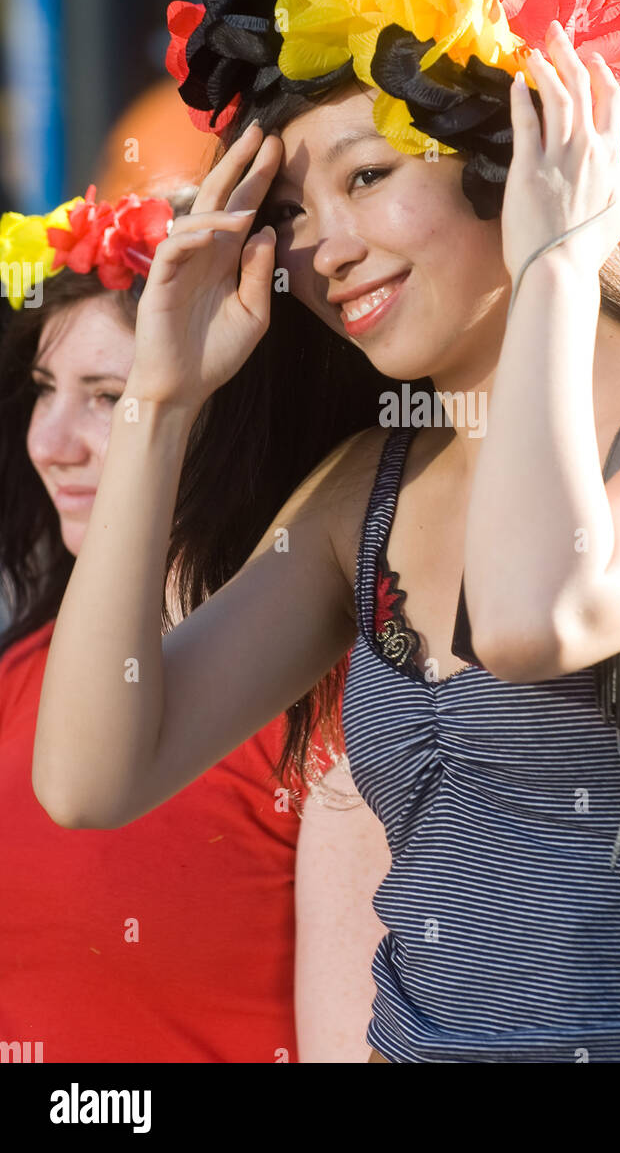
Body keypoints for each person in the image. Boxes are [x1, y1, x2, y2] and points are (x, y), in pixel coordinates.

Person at [32, 0, 620, 1063]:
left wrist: (558, 262)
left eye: (367, 176)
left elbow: (531, 615)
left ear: (510, 151)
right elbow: (92, 775)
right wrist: (158, 398)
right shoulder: (371, 484)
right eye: (293, 211)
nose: (325, 248)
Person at [0, 184, 386, 1062]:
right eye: (42, 390)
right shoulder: (20, 670)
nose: (52, 442)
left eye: (108, 396)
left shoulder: (333, 709)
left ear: (226, 397)